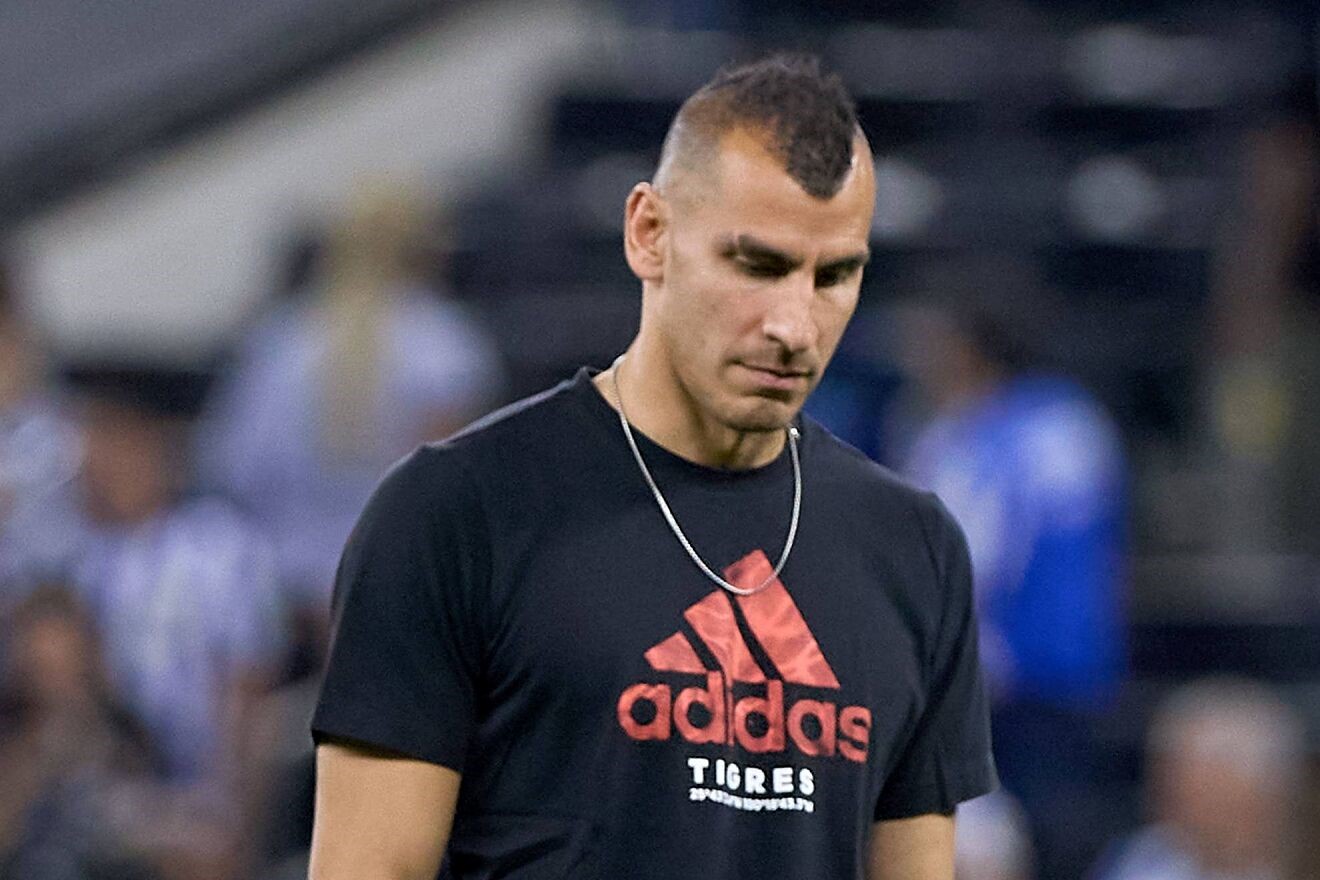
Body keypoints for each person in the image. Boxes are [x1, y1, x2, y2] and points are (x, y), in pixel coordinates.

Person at [310, 54, 996, 879]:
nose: (795, 326)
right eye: (759, 265)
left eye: (834, 276)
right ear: (650, 234)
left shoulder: (913, 549)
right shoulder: (456, 514)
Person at [897, 293, 1125, 880]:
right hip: (1068, 675)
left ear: (967, 348)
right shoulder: (1073, 418)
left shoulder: (969, 439)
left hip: (1010, 683)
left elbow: (973, 559)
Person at [1091, 677, 1306, 880]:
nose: (1166, 795)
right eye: (1167, 776)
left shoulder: (1303, 864)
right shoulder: (1145, 856)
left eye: (1197, 783)